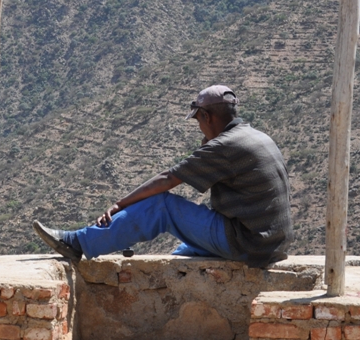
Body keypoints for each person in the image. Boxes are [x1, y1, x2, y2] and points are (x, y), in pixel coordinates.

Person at [33, 85, 293, 268]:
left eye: (199, 121)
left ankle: (78, 242)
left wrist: (119, 204)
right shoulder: (255, 136)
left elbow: (168, 179)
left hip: (247, 243)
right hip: (271, 245)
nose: (199, 127)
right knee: (182, 253)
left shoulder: (224, 145)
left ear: (206, 116)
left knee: (162, 206)